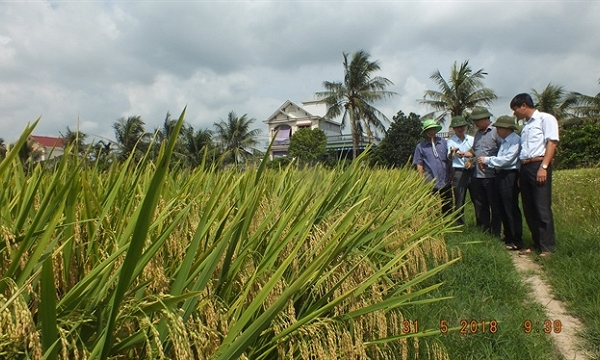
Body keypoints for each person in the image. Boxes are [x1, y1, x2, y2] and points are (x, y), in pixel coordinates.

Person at [510, 93, 559, 257]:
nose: (514, 113)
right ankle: (536, 242)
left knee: (541, 206)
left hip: (539, 164)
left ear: (524, 106)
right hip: (525, 167)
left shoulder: (545, 119)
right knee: (529, 207)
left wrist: (544, 166)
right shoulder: (525, 126)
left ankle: (547, 247)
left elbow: (551, 143)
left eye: (515, 109)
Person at [477, 115, 524, 250]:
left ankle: (516, 238)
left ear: (506, 128)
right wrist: (491, 163)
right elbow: (500, 158)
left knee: (510, 207)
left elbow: (507, 160)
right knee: (502, 206)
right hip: (501, 174)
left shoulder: (515, 141)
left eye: (498, 128)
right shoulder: (504, 141)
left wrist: (487, 161)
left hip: (510, 174)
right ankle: (509, 236)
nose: (496, 130)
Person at [463, 107, 502, 236]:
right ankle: (483, 230)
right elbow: (475, 152)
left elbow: (503, 152)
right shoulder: (478, 134)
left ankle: (495, 231)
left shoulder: (496, 132)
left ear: (486, 119)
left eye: (478, 121)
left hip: (491, 175)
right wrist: (466, 155)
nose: (476, 124)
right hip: (477, 175)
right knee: (479, 204)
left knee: (494, 205)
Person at [413, 119, 452, 214]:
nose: (431, 132)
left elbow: (449, 159)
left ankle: (448, 224)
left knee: (448, 205)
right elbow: (419, 164)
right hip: (430, 181)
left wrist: (451, 173)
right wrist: (421, 179)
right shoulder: (421, 147)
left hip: (445, 180)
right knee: (433, 206)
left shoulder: (443, 142)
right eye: (429, 130)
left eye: (433, 129)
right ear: (425, 132)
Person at [447, 115, 474, 225]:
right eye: (457, 127)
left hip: (472, 170)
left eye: (462, 126)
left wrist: (471, 161)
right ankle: (459, 224)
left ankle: (481, 223)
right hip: (458, 171)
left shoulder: (471, 139)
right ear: (453, 128)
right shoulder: (450, 142)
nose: (460, 129)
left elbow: (476, 153)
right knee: (459, 198)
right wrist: (452, 152)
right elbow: (449, 157)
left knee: (477, 198)